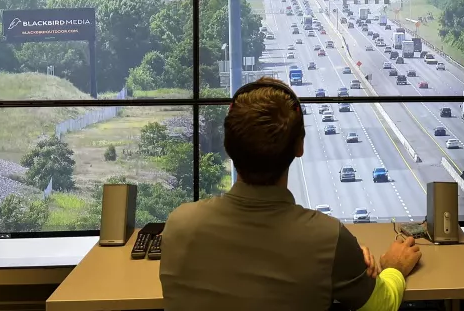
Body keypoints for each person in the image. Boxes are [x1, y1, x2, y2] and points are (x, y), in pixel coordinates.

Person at [160, 77, 422, 311]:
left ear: (228, 146)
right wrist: (392, 268)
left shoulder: (179, 224)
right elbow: (382, 305)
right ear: (299, 146)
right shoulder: (327, 238)